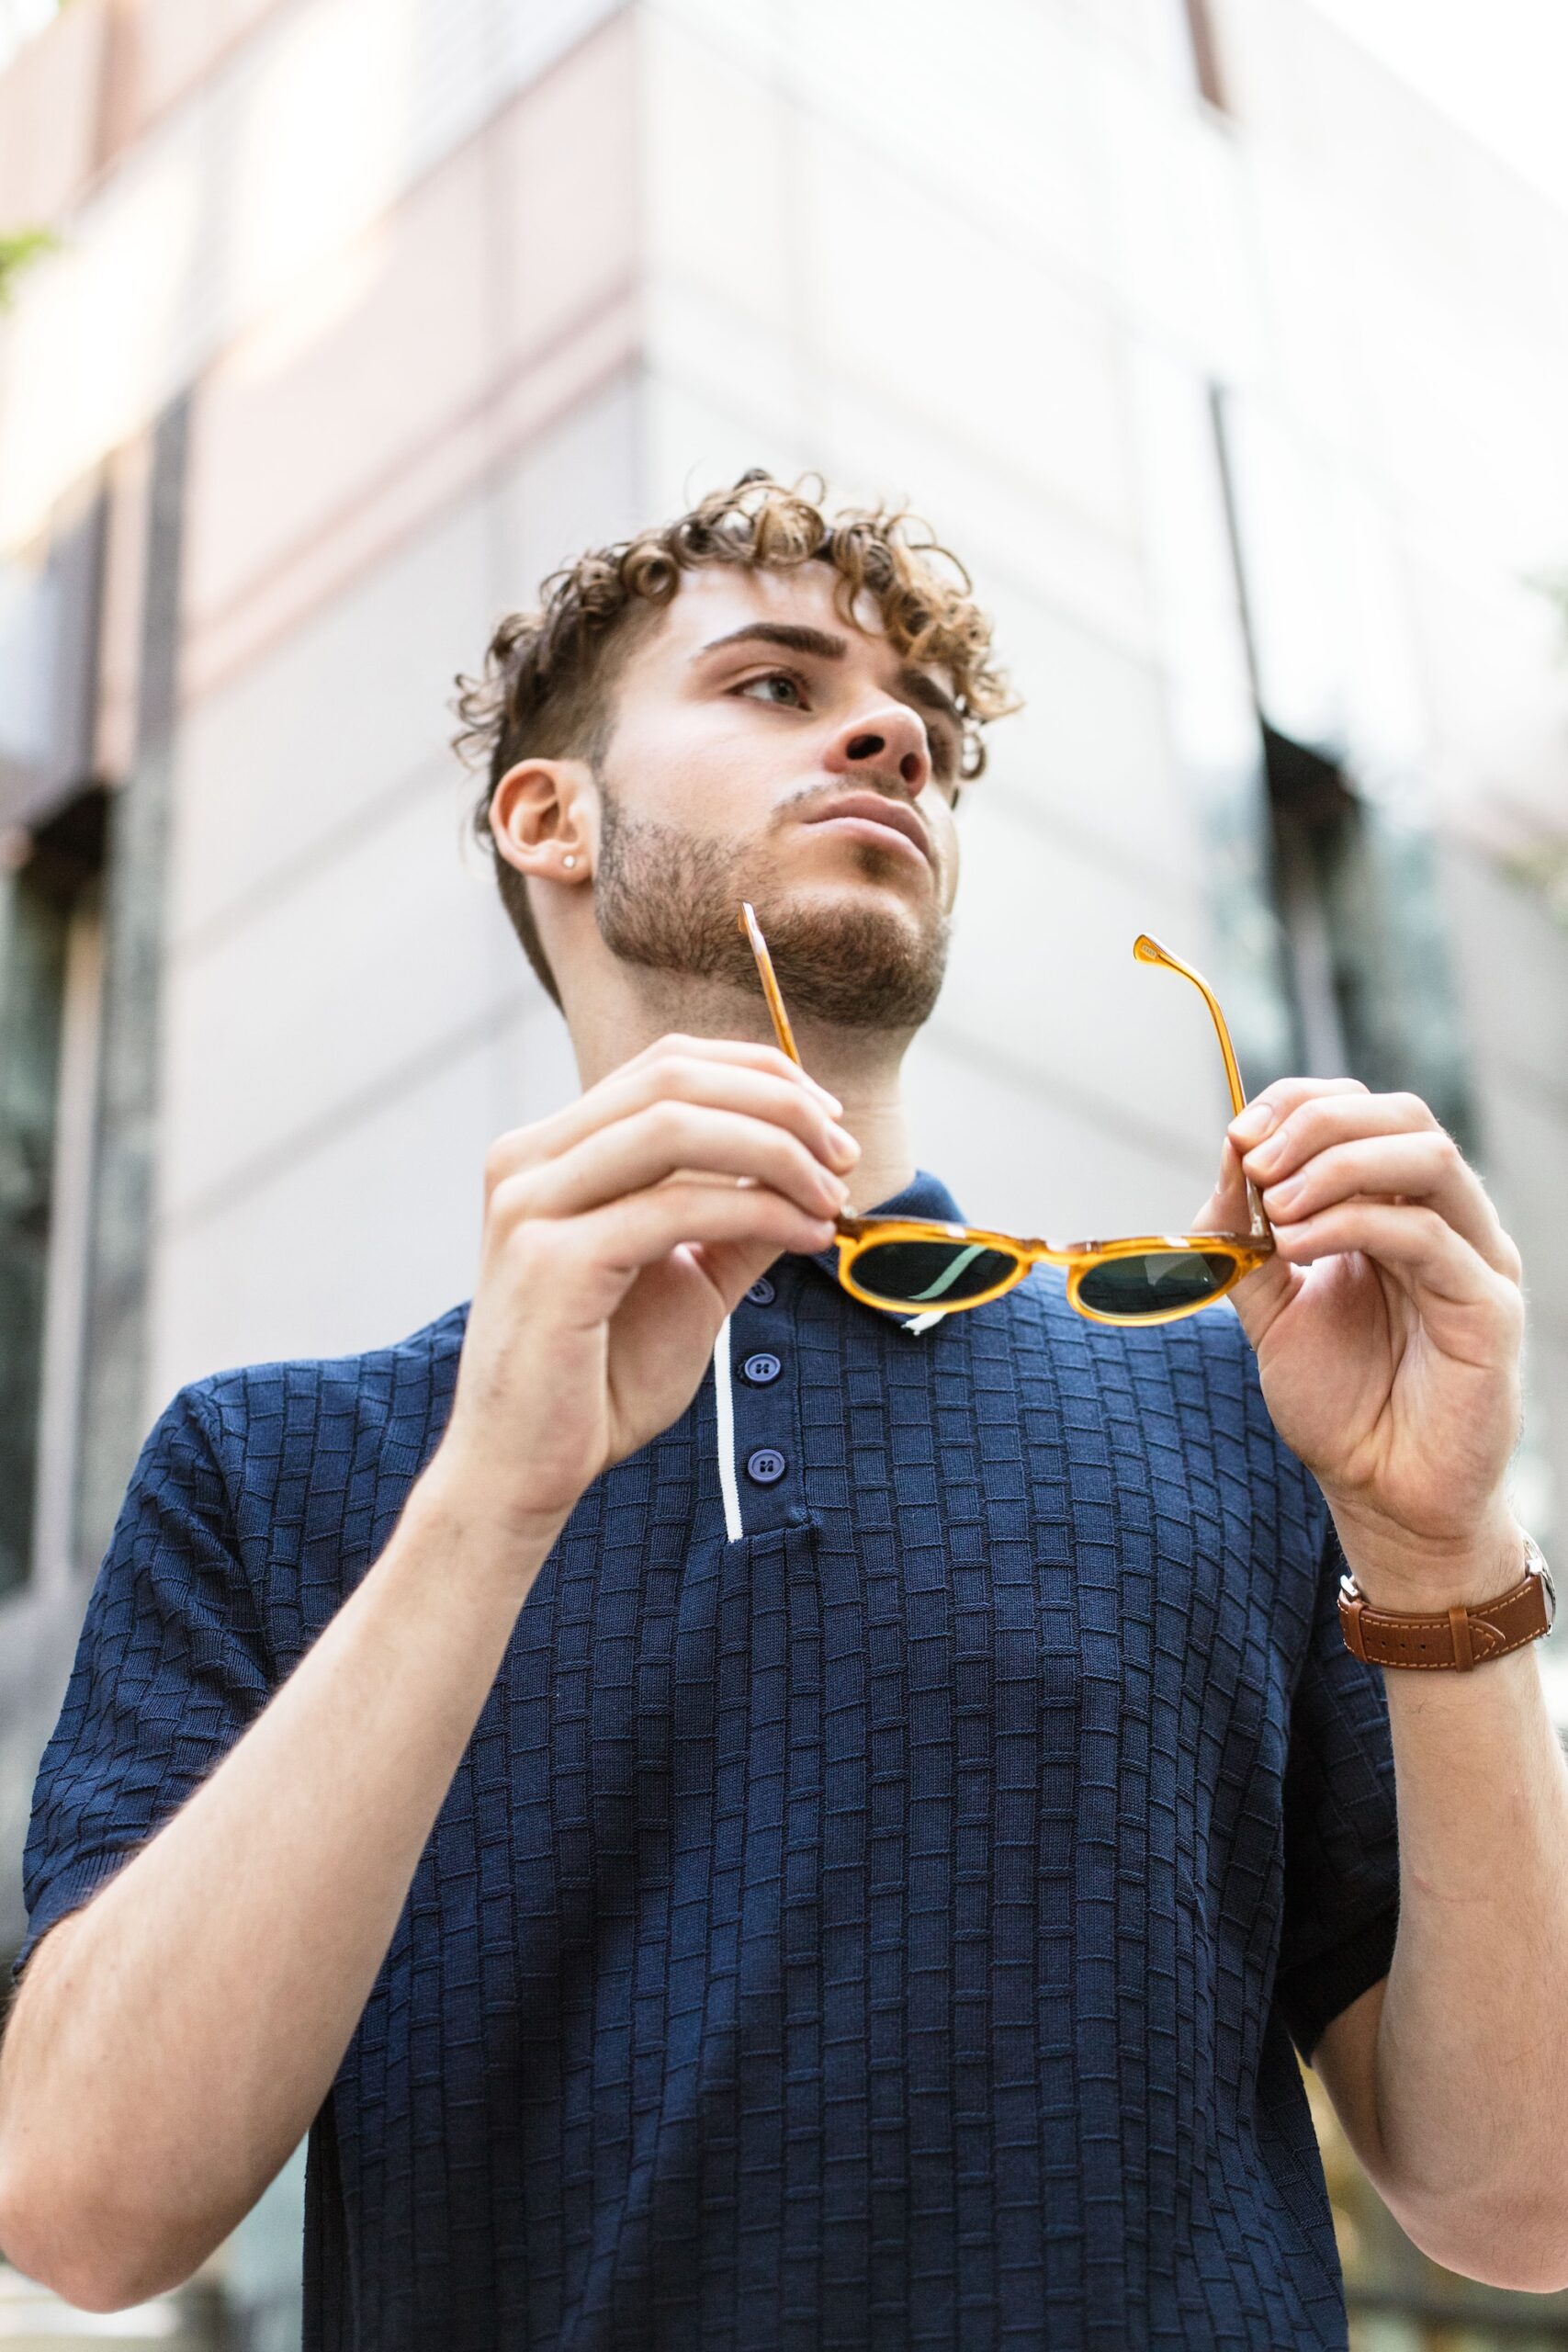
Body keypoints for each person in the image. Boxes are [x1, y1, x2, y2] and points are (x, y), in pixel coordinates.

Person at [1, 472, 1564, 2349]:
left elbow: (1523, 2197)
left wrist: (1440, 1546)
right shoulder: (268, 1471)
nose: (892, 737)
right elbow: (81, 2209)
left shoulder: (1247, 1410)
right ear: (547, 814)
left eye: (925, 723)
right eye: (773, 683)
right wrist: (491, 1496)